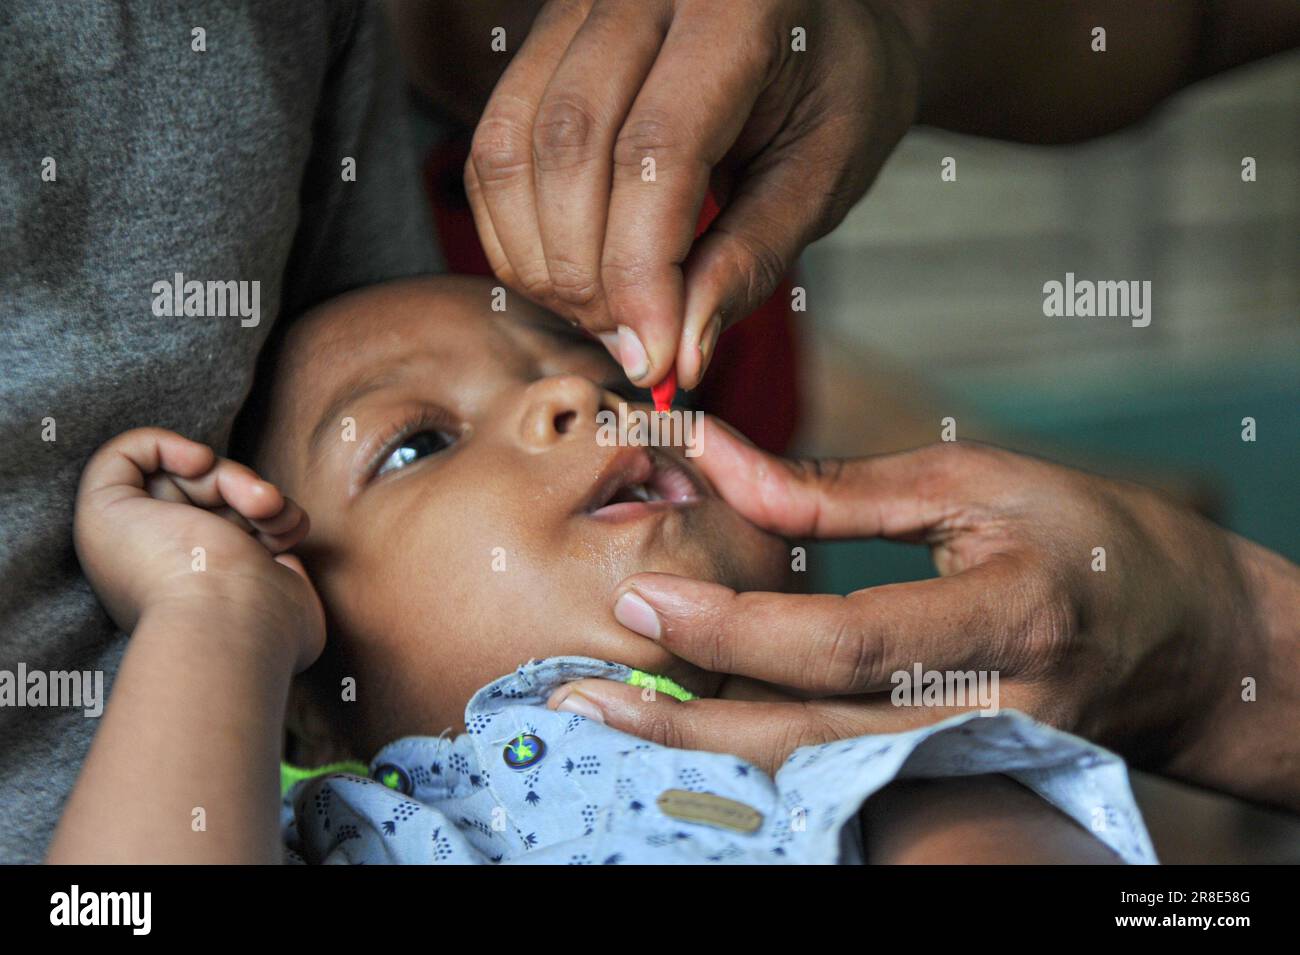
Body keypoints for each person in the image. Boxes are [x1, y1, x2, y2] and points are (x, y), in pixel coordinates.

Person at [47, 276, 1146, 864]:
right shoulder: (316, 824)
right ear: (308, 706)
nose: (579, 403)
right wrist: (214, 612)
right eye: (418, 442)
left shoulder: (878, 762)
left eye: (603, 381)